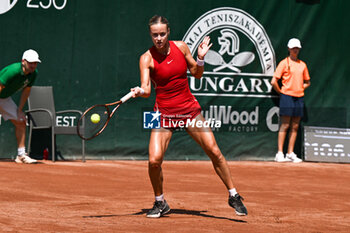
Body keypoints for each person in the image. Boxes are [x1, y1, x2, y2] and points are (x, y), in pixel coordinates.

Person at [131, 15, 247, 218]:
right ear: (150, 35)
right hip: (163, 113)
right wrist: (140, 91)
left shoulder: (182, 47)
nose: (158, 38)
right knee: (154, 161)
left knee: (214, 151)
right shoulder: (146, 58)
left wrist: (201, 58)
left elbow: (197, 73)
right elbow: (147, 89)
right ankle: (160, 202)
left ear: (168, 33)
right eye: (154, 35)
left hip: (188, 110)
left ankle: (233, 195)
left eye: (162, 34)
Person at [271, 38, 311, 163]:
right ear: (289, 49)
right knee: (285, 125)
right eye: (293, 48)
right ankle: (279, 153)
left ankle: (290, 153)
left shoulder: (302, 65)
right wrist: (282, 92)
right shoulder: (284, 63)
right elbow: (274, 81)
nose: (295, 50)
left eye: (297, 48)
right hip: (287, 97)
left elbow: (307, 82)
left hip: (299, 97)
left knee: (295, 126)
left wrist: (300, 88)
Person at [0, 49, 41, 164]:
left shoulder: (34, 74)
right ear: (23, 61)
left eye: (35, 63)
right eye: (31, 62)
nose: (33, 65)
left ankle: (21, 155)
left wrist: (19, 110)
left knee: (21, 120)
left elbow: (26, 91)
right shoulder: (12, 71)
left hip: (4, 98)